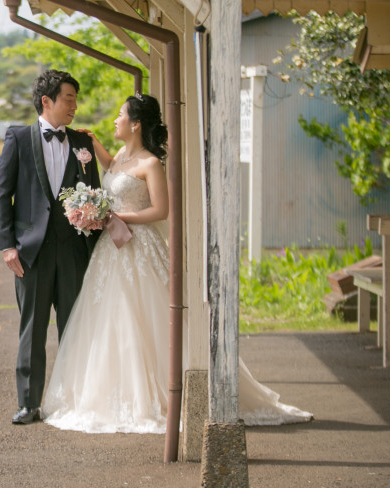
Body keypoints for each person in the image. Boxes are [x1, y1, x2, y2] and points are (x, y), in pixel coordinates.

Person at [42, 93, 312, 432]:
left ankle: (156, 396)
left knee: (145, 317)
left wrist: (114, 214)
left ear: (135, 123)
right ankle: (114, 393)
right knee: (112, 319)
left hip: (140, 246)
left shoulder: (151, 163)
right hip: (112, 251)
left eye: (120, 115)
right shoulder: (123, 155)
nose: (115, 120)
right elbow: (113, 171)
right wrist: (94, 148)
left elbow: (161, 210)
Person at [0, 69, 101, 425]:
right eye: (68, 98)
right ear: (47, 101)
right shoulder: (19, 139)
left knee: (74, 326)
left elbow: (95, 195)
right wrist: (7, 246)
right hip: (30, 253)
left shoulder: (83, 144)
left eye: (74, 99)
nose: (74, 106)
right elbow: (2, 194)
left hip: (73, 250)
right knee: (32, 327)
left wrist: (95, 236)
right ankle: (29, 403)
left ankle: (75, 399)